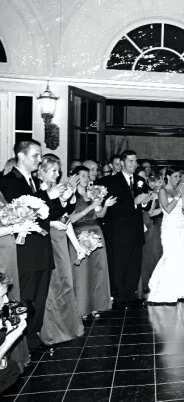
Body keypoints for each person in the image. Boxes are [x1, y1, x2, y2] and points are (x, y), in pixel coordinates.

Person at [0, 140, 53, 349]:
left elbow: (47, 215)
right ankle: (24, 342)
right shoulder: (9, 181)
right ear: (21, 156)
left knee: (40, 297)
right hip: (26, 251)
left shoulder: (34, 181)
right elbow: (18, 211)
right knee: (27, 296)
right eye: (35, 155)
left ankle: (34, 336)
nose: (39, 160)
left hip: (42, 248)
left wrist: (59, 200)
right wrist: (48, 196)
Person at [37, 155, 84, 345]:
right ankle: (52, 331)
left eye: (58, 170)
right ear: (42, 171)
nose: (57, 175)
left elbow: (65, 216)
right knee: (54, 284)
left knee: (66, 282)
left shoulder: (55, 189)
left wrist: (68, 195)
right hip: (48, 239)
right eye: (53, 171)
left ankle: (68, 326)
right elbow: (45, 216)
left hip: (60, 238)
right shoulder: (39, 191)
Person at [148, 168, 184, 303]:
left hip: (182, 227)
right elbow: (167, 209)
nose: (177, 179)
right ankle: (166, 290)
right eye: (175, 176)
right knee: (170, 256)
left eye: (178, 177)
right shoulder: (163, 190)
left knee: (183, 255)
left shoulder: (178, 190)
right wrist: (177, 196)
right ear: (167, 177)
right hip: (169, 227)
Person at [104, 150, 152, 307]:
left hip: (136, 229)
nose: (134, 164)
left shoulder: (139, 180)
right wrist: (134, 202)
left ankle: (131, 294)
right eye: (131, 161)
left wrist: (145, 201)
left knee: (134, 263)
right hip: (119, 230)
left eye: (135, 161)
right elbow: (112, 208)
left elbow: (147, 204)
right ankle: (119, 296)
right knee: (119, 263)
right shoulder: (111, 181)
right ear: (123, 163)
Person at [69, 166, 116, 318]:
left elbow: (99, 215)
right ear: (75, 177)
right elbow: (70, 219)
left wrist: (106, 206)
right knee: (82, 272)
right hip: (79, 233)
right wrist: (90, 206)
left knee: (97, 270)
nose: (86, 178)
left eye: (87, 176)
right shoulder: (71, 196)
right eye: (82, 175)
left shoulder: (92, 193)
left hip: (96, 233)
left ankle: (96, 305)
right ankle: (82, 308)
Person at [0, 191, 37, 372]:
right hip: (1, 250)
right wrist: (12, 229)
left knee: (10, 300)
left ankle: (17, 356)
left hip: (8, 249)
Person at [139, 172, 163, 298]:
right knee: (151, 254)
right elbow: (150, 212)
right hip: (153, 226)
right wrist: (154, 198)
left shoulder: (165, 193)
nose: (156, 184)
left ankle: (160, 283)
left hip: (163, 226)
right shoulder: (149, 194)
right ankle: (148, 284)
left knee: (160, 254)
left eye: (159, 181)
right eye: (153, 181)